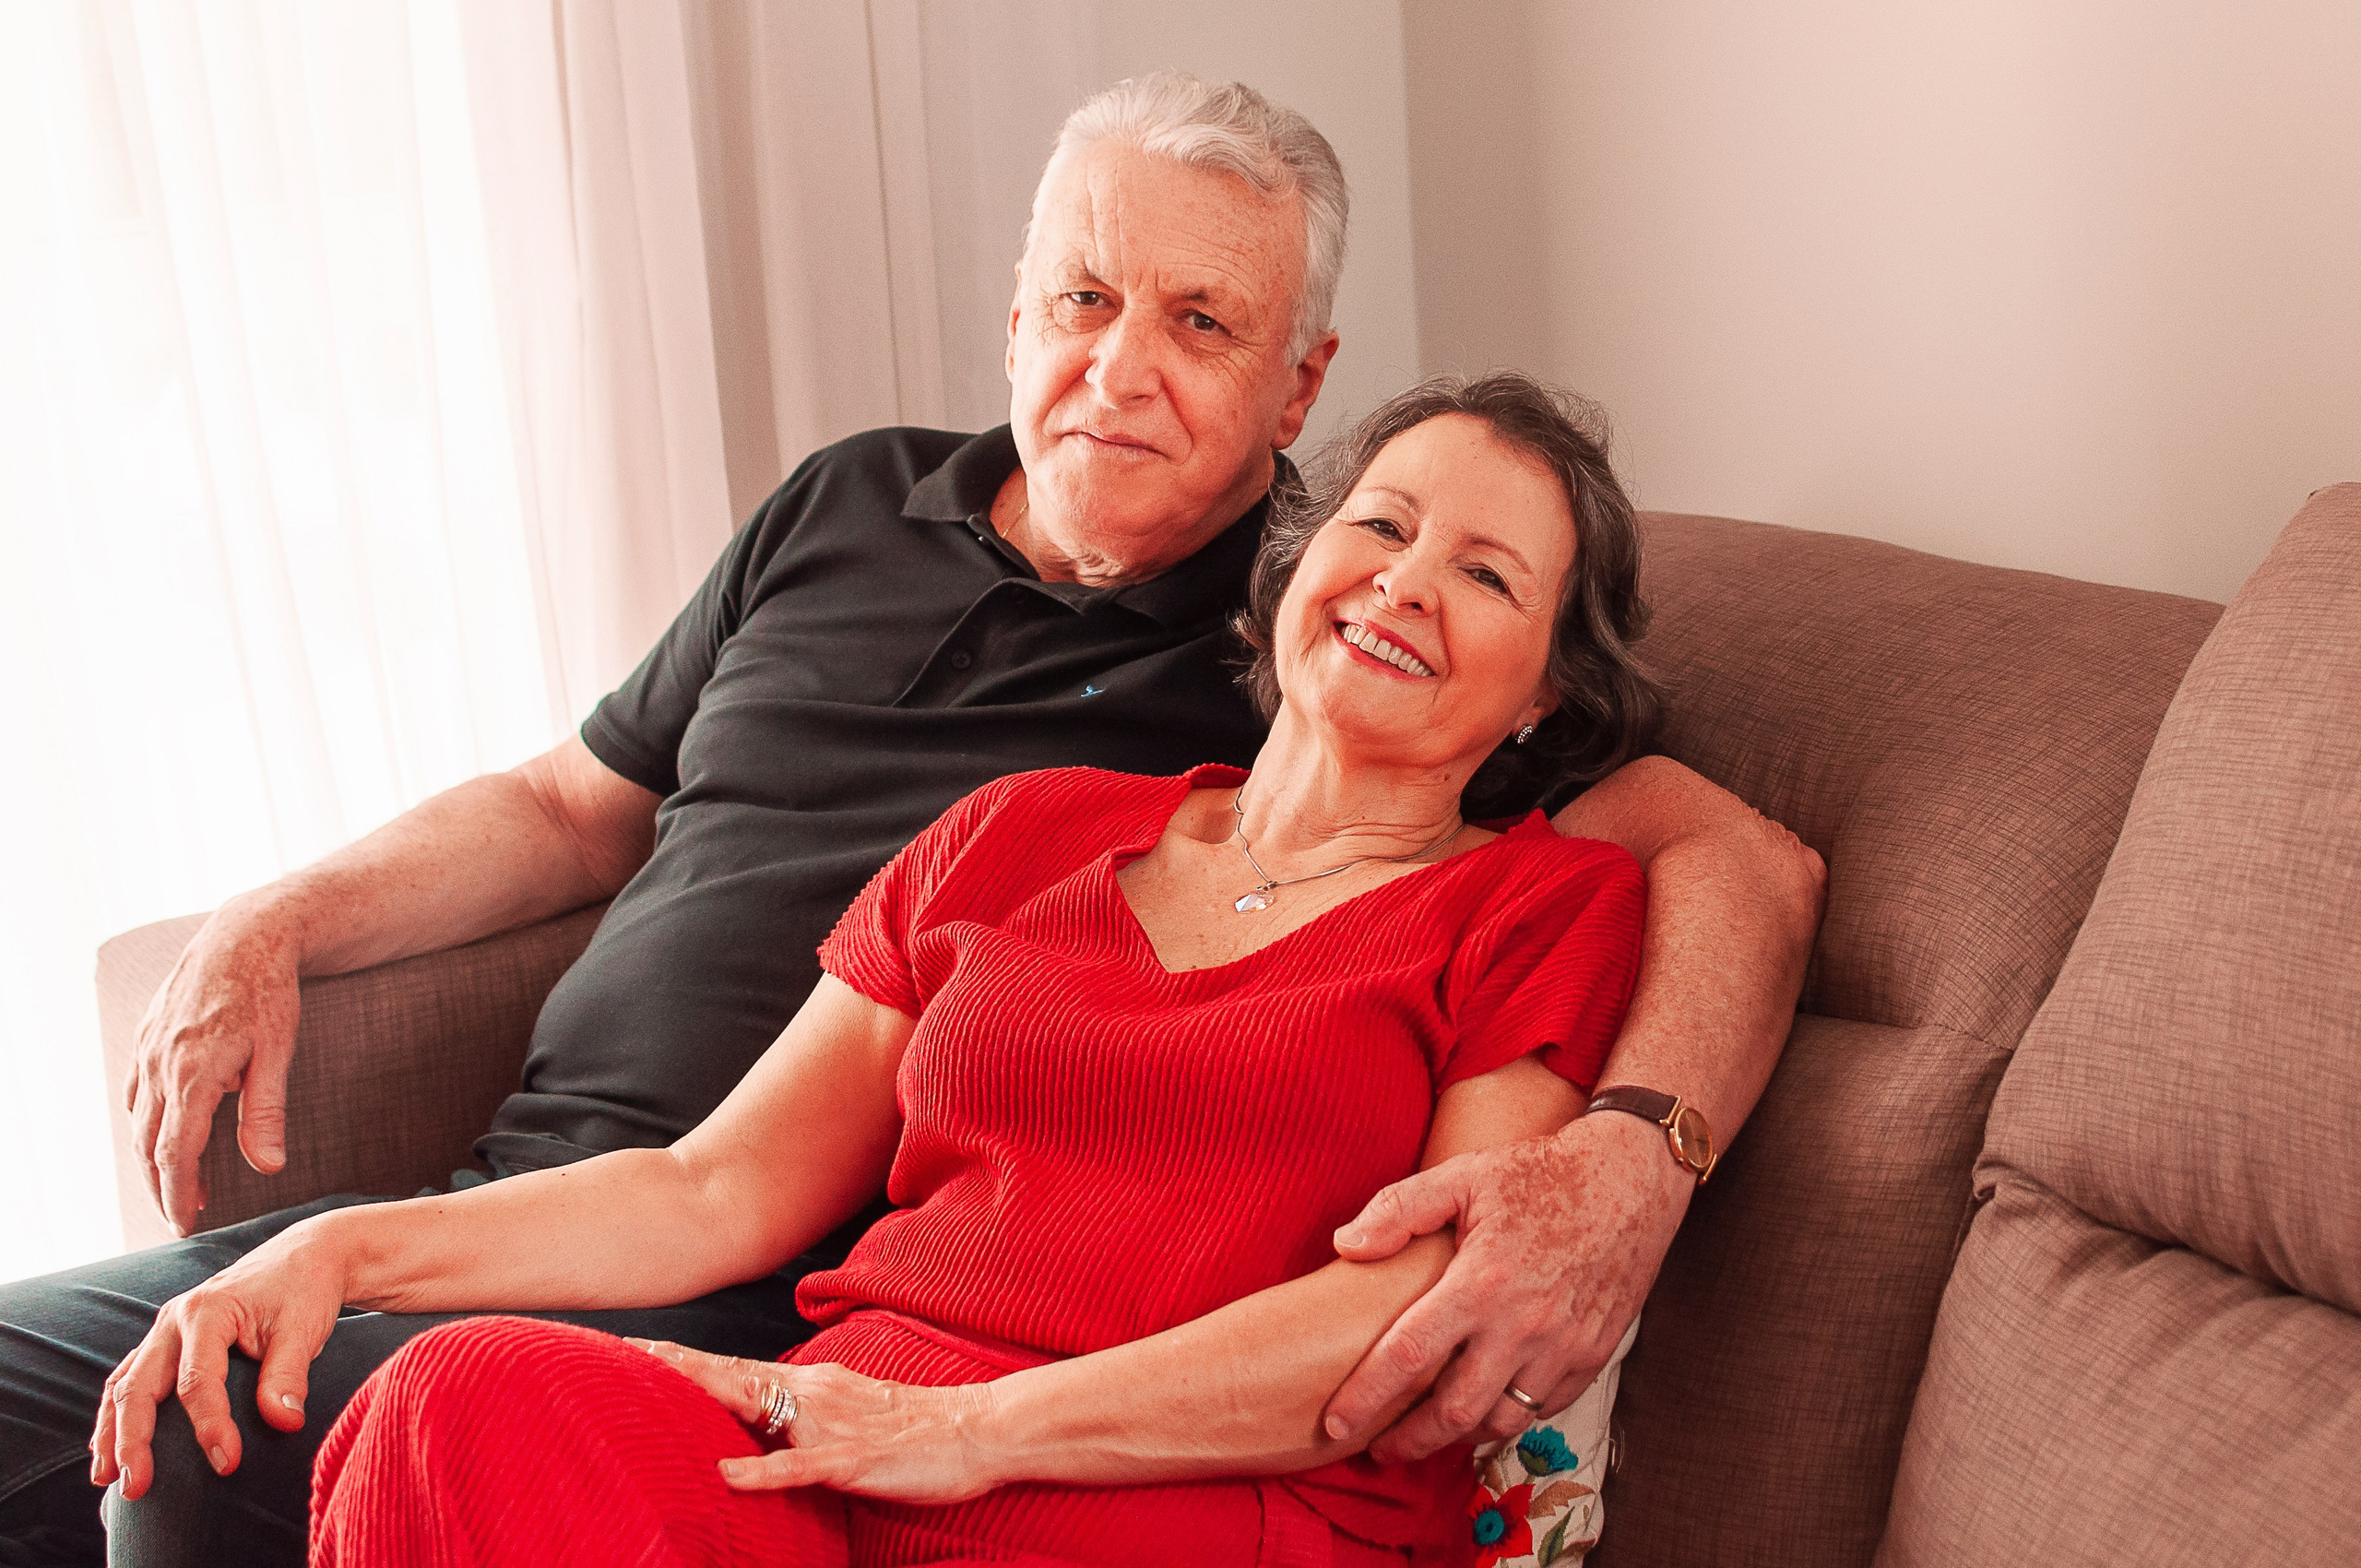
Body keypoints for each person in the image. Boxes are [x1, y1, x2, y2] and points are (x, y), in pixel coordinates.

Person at [0, 73, 1820, 1568]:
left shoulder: (1510, 868)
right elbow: (586, 843)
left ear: (1292, 400)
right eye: (1088, 300)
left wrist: (1632, 1151)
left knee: (190, 1447)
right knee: (352, 1385)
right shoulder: (976, 732)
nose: (1122, 367)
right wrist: (290, 1015)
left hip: (963, 1406)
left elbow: (1737, 862)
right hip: (683, 1294)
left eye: (1201, 324)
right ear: (1019, 308)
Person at [172, 372, 1656, 1567]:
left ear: (1551, 693)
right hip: (838, 1460)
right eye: (1382, 528)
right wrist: (343, 1249)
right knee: (457, 1402)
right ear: (1300, 562)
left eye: (1485, 575)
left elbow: (1395, 1326)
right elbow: (715, 1188)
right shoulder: (1021, 828)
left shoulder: (1539, 905)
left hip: (1183, 1499)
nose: (1404, 585)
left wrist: (979, 1432)